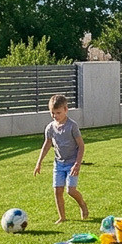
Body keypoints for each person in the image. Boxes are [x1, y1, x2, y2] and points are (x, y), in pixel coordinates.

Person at [33, 93, 90, 224]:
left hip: (72, 163)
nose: (55, 116)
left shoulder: (72, 126)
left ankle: (82, 204)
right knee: (57, 191)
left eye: (58, 113)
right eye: (52, 113)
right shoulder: (50, 128)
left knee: (71, 190)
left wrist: (77, 164)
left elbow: (81, 146)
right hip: (59, 164)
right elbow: (47, 145)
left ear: (66, 110)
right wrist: (39, 163)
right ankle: (62, 217)